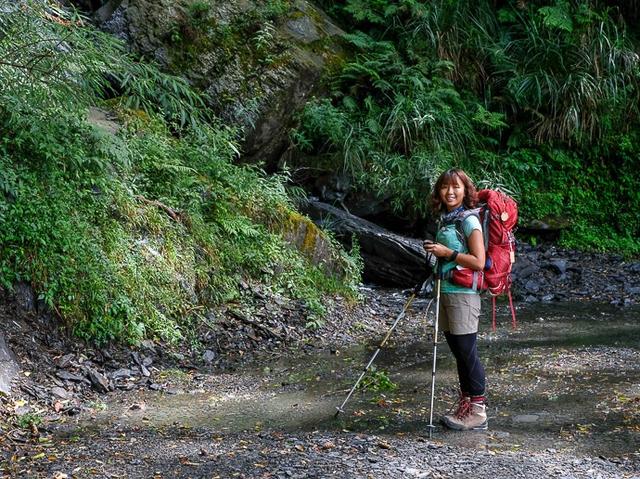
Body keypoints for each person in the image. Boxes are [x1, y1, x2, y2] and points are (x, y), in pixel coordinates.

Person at [423, 168, 488, 431]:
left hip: (464, 296)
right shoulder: (447, 219)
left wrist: (447, 253)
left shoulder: (469, 221)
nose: (450, 192)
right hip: (447, 291)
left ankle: (478, 412)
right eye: (445, 187)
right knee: (460, 353)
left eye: (456, 187)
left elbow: (479, 262)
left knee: (467, 353)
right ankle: (466, 406)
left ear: (465, 190)